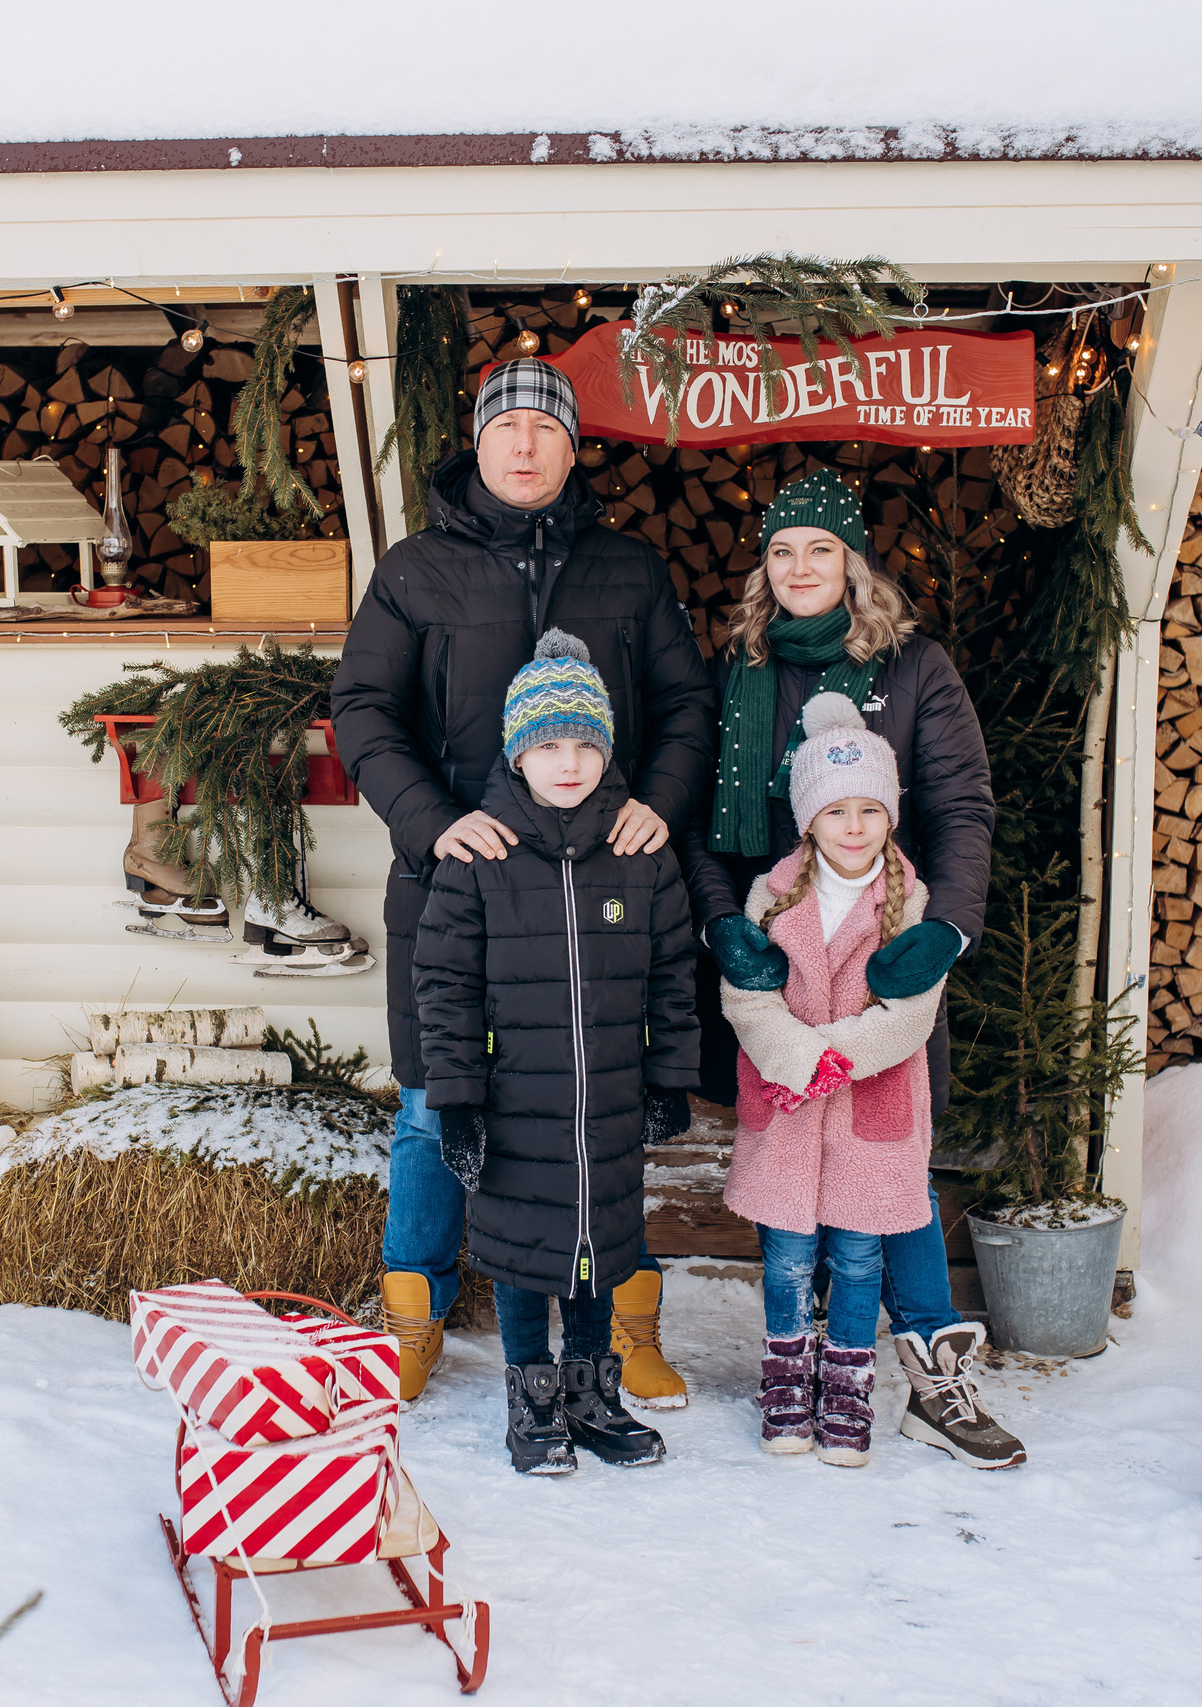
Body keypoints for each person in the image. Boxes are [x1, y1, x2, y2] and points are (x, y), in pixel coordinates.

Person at [331, 358, 715, 1406]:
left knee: (603, 1101)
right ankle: (412, 1315)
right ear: (478, 441)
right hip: (459, 883)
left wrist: (658, 808)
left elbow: (688, 705)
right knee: (428, 1105)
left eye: (544, 429)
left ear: (570, 445)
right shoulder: (416, 570)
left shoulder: (627, 571)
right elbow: (362, 709)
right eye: (506, 427)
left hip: (604, 889)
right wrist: (432, 822)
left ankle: (625, 1322)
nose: (524, 445)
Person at [682, 468, 1020, 1468]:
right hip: (773, 977)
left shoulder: (914, 672)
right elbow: (701, 822)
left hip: (886, 976)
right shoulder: (733, 671)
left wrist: (945, 931)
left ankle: (927, 1381)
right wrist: (718, 925)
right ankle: (806, 1372)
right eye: (781, 550)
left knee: (886, 1176)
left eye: (819, 550)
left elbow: (961, 807)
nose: (798, 569)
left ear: (853, 563)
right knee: (793, 1185)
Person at [414, 633, 699, 1474]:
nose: (567, 763)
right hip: (514, 1100)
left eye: (584, 744)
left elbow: (673, 970)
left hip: (604, 1099)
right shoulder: (481, 855)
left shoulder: (640, 852)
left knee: (599, 1242)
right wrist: (458, 1100)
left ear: (606, 748)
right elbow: (444, 982)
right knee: (518, 1249)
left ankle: (590, 1390)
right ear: (517, 752)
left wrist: (668, 1075)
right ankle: (531, 1392)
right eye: (547, 745)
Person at [719, 694, 995, 1467]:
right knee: (787, 1254)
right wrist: (795, 1058)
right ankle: (786, 1381)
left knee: (861, 1256)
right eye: (835, 809)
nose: (852, 825)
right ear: (807, 817)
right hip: (788, 1107)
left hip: (869, 1108)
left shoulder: (913, 907)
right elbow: (746, 998)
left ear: (891, 816)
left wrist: (830, 1056)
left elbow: (907, 1016)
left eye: (869, 808)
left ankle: (847, 1386)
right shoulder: (772, 896)